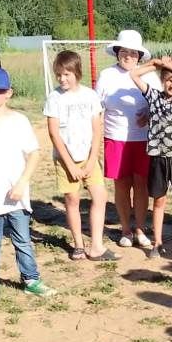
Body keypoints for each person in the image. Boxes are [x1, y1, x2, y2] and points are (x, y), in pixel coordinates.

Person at [0, 66, 56, 307]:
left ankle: (31, 280)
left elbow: (35, 154)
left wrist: (21, 183)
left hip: (16, 194)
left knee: (22, 240)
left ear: (9, 93)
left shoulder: (19, 121)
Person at [43, 50, 116, 262]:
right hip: (66, 159)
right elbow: (54, 133)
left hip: (89, 157)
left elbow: (97, 130)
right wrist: (70, 165)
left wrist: (93, 159)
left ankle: (96, 245)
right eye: (59, 74)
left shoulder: (90, 95)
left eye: (67, 74)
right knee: (72, 199)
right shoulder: (54, 98)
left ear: (77, 72)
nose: (62, 78)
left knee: (100, 196)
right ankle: (78, 244)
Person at [97, 30, 160, 249]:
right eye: (124, 51)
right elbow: (97, 108)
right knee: (122, 185)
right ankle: (125, 229)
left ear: (139, 55)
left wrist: (150, 113)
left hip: (143, 139)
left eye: (133, 53)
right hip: (115, 138)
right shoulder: (107, 75)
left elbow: (161, 104)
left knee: (141, 184)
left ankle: (140, 229)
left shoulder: (149, 75)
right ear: (117, 52)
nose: (128, 56)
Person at [130, 56, 172, 260]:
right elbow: (134, 74)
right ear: (161, 80)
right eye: (168, 79)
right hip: (158, 158)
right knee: (159, 201)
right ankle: (157, 243)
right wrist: (155, 64)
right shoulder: (153, 97)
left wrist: (168, 66)